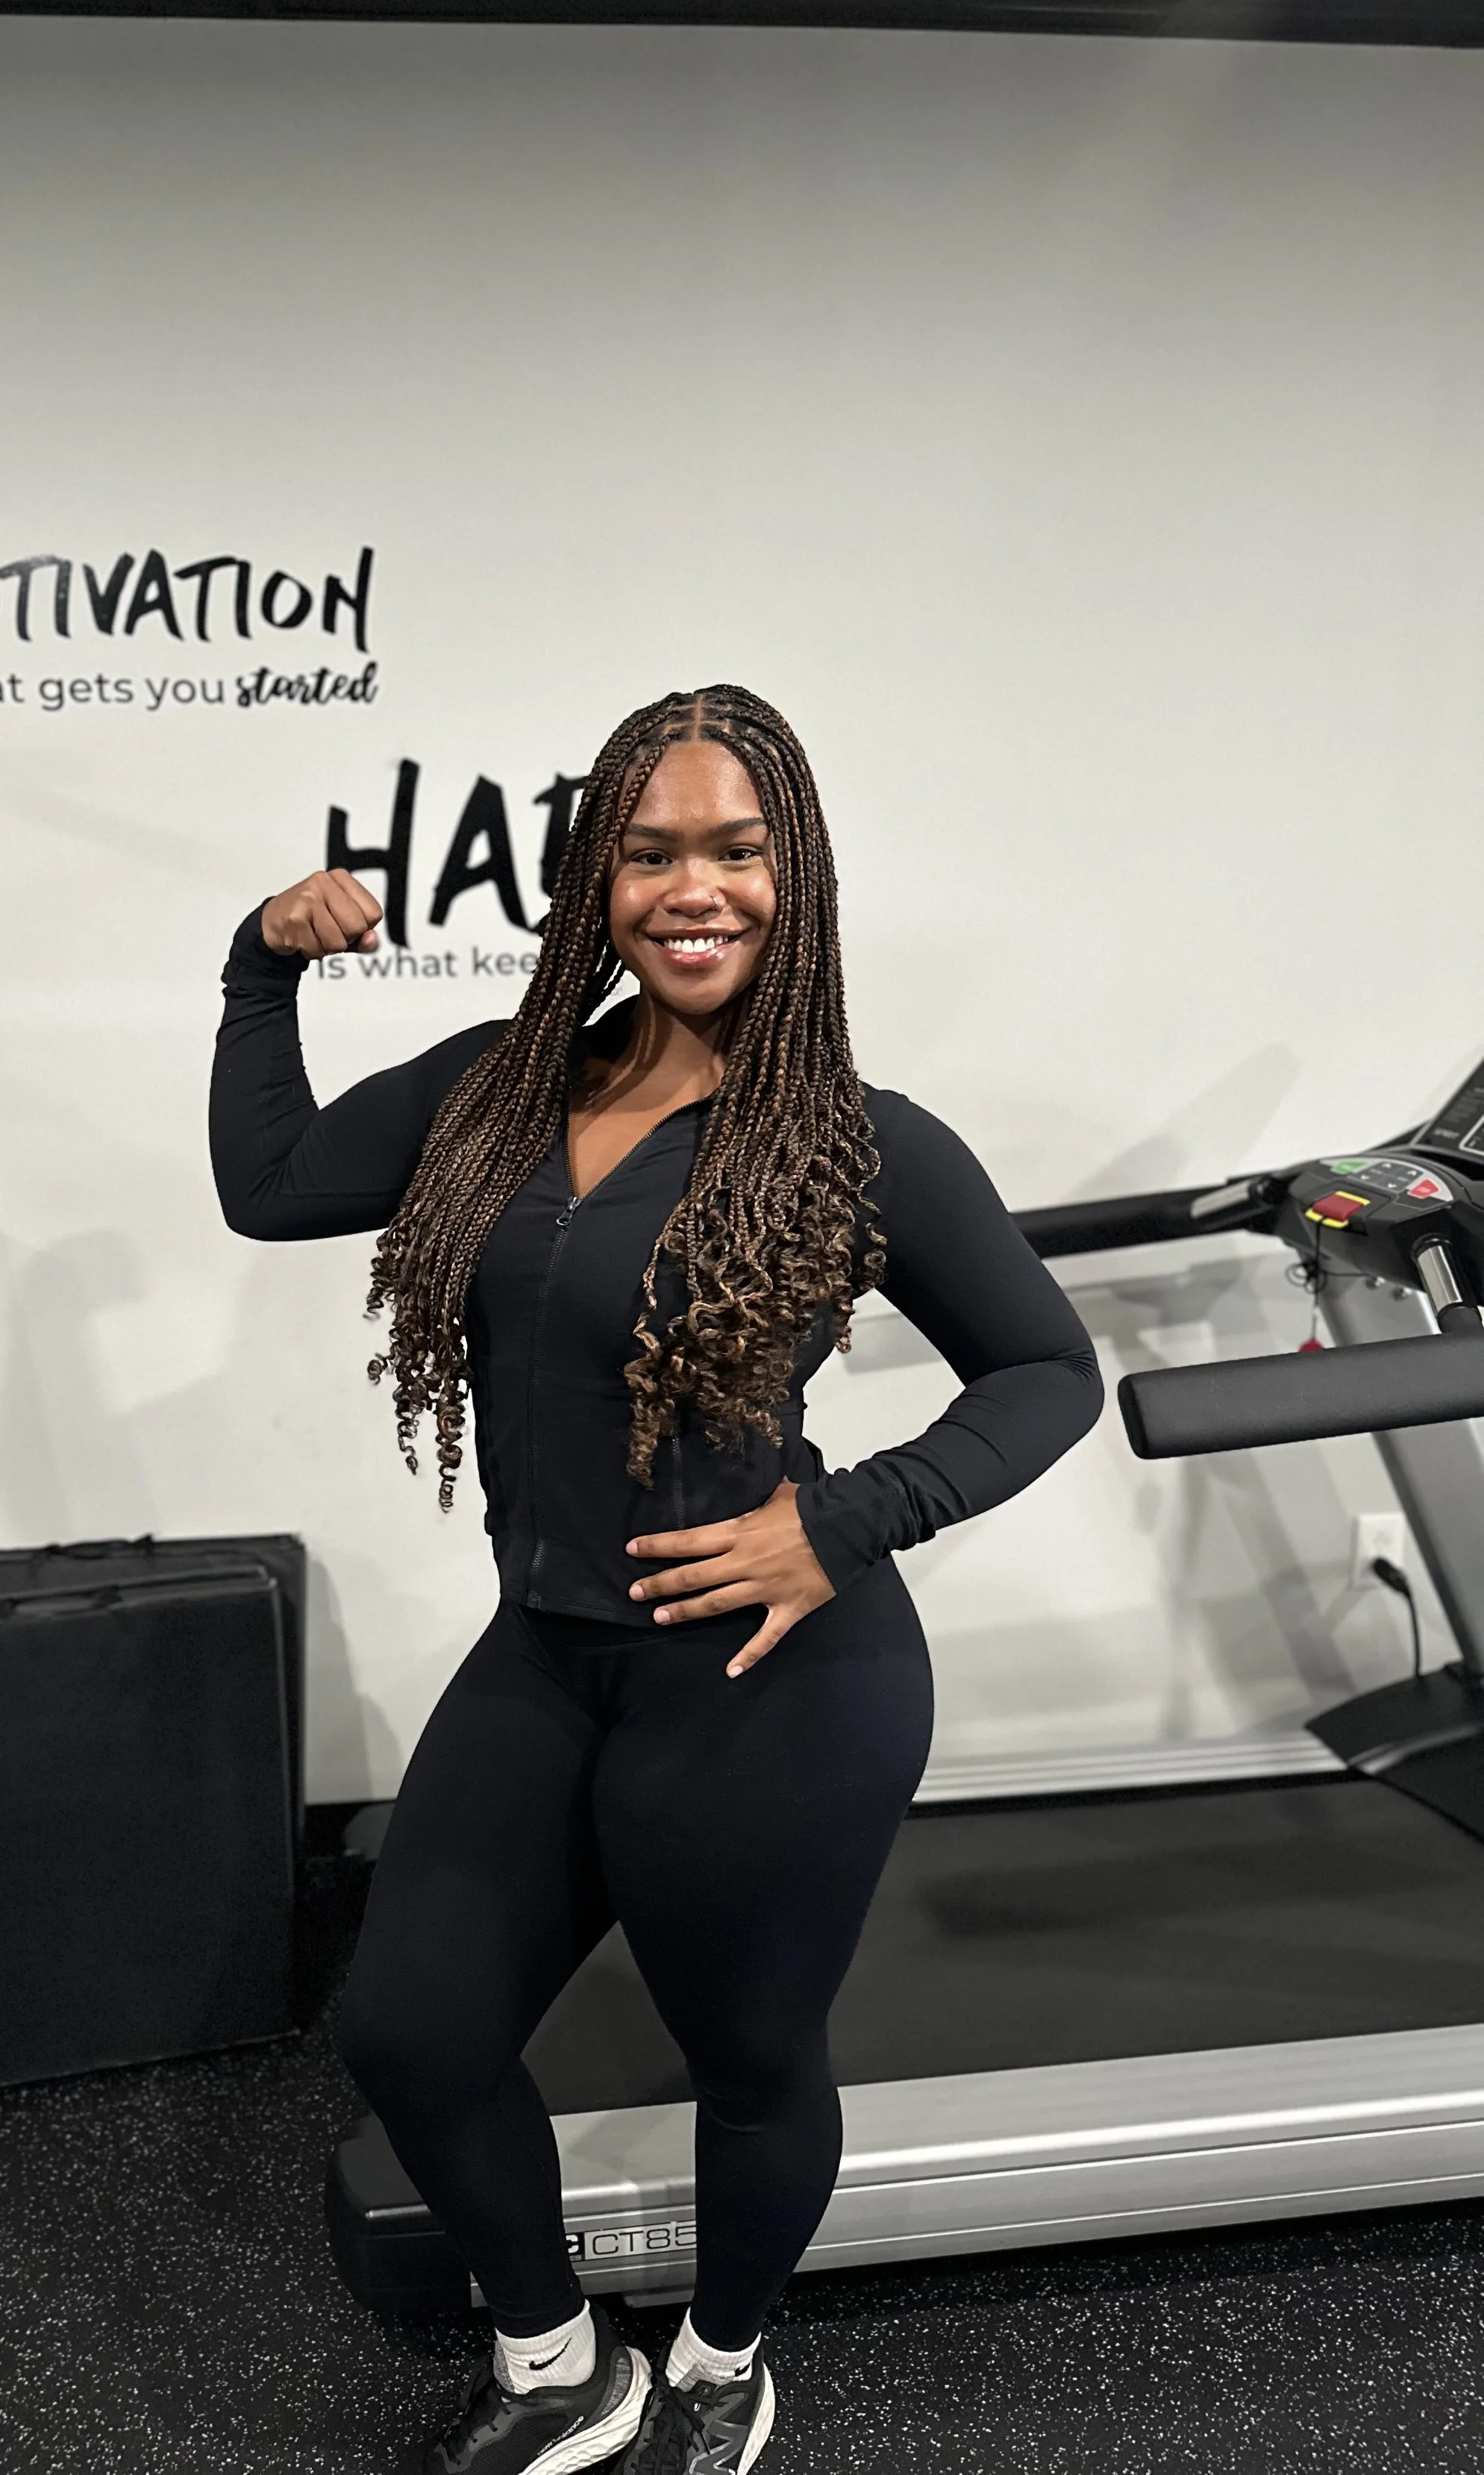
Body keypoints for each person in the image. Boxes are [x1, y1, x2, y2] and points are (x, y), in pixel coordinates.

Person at [210, 685, 1102, 2475]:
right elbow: (273, 1183)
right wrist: (257, 969)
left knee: (745, 2059)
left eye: (737, 849)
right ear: (594, 881)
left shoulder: (859, 1138)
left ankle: (716, 2362)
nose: (694, 887)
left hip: (771, 1670)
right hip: (546, 1650)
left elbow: (1045, 1372)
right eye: (649, 850)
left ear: (797, 878)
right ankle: (560, 2364)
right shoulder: (496, 1087)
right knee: (408, 2027)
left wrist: (843, 1521)